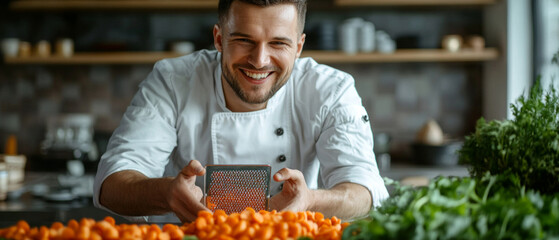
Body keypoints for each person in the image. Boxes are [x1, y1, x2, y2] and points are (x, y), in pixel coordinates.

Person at [93, 0, 388, 223]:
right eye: (244, 40)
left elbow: (365, 192)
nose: (259, 61)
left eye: (278, 43)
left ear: (298, 47)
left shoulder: (331, 90)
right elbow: (111, 184)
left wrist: (310, 199)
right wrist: (167, 193)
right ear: (219, 39)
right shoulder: (172, 81)